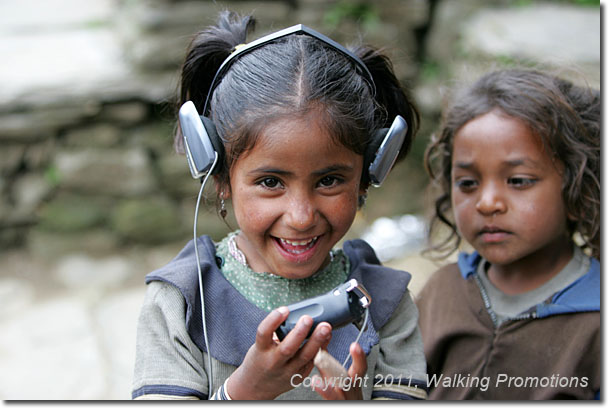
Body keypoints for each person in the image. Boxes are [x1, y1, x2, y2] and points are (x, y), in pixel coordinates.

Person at [131, 11, 428, 400]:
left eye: (329, 180)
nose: (301, 216)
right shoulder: (180, 303)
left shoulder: (385, 302)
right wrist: (241, 393)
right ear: (219, 176)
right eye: (271, 182)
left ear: (368, 175)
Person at [417, 68, 600, 400]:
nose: (487, 203)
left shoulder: (597, 320)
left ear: (578, 191)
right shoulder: (442, 293)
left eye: (518, 180)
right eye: (468, 183)